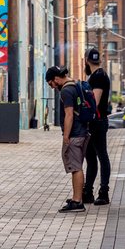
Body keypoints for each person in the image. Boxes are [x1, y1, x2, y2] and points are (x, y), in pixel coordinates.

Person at [48, 66, 88, 213]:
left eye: (51, 83)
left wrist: (66, 135)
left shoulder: (66, 90)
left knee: (76, 168)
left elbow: (69, 114)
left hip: (75, 134)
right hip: (82, 131)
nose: (52, 87)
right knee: (76, 167)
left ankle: (77, 202)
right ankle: (76, 198)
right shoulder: (75, 84)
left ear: (56, 79)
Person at [83, 47, 112, 206]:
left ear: (86, 60)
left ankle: (103, 192)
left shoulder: (99, 76)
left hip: (97, 122)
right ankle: (88, 192)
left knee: (101, 156)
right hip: (94, 122)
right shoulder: (96, 75)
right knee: (91, 158)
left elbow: (95, 101)